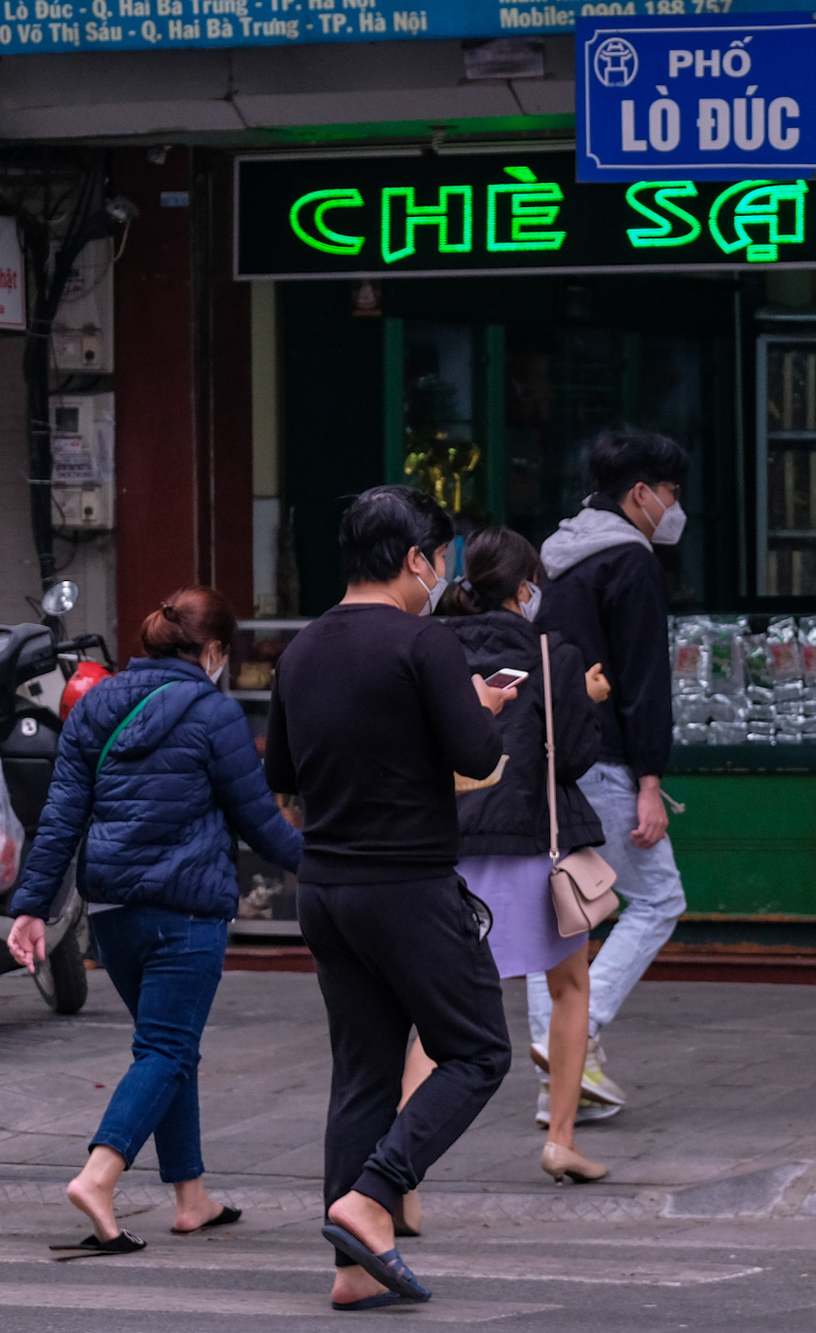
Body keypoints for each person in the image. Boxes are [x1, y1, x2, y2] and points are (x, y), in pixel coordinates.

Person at [265, 485, 518, 1312]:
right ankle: (373, 1196)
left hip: (326, 889)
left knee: (364, 1072)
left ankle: (349, 1269)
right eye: (439, 559)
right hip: (407, 883)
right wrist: (480, 705)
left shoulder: (301, 651)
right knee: (478, 1049)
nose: (442, 574)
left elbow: (285, 778)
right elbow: (478, 758)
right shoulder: (424, 643)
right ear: (415, 557)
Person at [6, 588, 302, 1256]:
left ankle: (191, 1195)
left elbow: (60, 820)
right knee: (166, 1048)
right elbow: (259, 821)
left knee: (171, 1045)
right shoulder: (214, 711)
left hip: (112, 913)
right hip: (186, 910)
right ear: (215, 651)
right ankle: (98, 1174)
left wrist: (28, 905)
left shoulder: (96, 705)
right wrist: (333, 864)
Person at [530, 427, 691, 1121]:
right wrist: (650, 779)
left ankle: (558, 1075)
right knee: (658, 899)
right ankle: (573, 1035)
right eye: (671, 493)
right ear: (639, 494)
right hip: (603, 761)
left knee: (557, 917)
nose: (675, 507)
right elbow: (644, 679)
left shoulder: (557, 557)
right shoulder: (630, 563)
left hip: (545, 757)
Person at [440, 528, 610, 1183]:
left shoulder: (436, 649)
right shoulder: (552, 653)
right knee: (569, 988)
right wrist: (588, 703)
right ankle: (561, 1138)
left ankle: (400, 1169)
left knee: (440, 1002)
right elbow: (572, 756)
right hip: (537, 842)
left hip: (452, 841)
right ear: (523, 589)